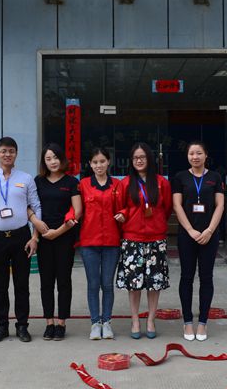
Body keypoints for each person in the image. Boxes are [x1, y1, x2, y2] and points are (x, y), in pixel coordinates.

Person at [0, 137, 41, 344]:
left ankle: (22, 326)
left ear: (16, 154)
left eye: (11, 151)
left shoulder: (26, 178)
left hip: (22, 237)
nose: (7, 154)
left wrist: (35, 237)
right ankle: (1, 327)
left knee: (22, 285)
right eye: (3, 151)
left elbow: (36, 207)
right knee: (0, 285)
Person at [115, 142, 172, 339]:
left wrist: (156, 224)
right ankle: (135, 320)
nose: (139, 161)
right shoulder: (125, 183)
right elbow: (121, 207)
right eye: (135, 158)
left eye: (142, 157)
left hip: (156, 239)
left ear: (149, 159)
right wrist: (125, 215)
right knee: (134, 283)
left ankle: (151, 319)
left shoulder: (161, 182)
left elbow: (167, 209)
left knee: (154, 283)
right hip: (132, 239)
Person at [172, 141, 225, 341]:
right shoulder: (180, 177)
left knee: (206, 278)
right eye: (192, 153)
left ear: (205, 155)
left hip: (209, 236)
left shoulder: (215, 177)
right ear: (187, 156)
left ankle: (202, 323)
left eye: (199, 153)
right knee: (186, 277)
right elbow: (177, 206)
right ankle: (187, 322)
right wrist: (190, 230)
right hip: (187, 235)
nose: (195, 157)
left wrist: (209, 230)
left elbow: (220, 206)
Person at [29, 143, 81, 341]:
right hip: (44, 237)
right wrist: (37, 232)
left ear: (62, 159)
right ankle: (49, 322)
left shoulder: (71, 181)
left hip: (64, 237)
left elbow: (77, 212)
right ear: (44, 161)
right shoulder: (38, 181)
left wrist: (57, 232)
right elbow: (30, 207)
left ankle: (61, 323)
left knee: (64, 281)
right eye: (48, 158)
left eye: (55, 157)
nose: (52, 162)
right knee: (46, 282)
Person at [78, 147, 123, 340]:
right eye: (95, 162)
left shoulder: (117, 185)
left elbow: (124, 207)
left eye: (102, 161)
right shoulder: (83, 184)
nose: (99, 165)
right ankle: (95, 323)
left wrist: (124, 214)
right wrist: (69, 219)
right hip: (89, 241)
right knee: (93, 284)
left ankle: (107, 322)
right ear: (90, 164)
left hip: (112, 241)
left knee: (107, 284)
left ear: (108, 162)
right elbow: (76, 209)